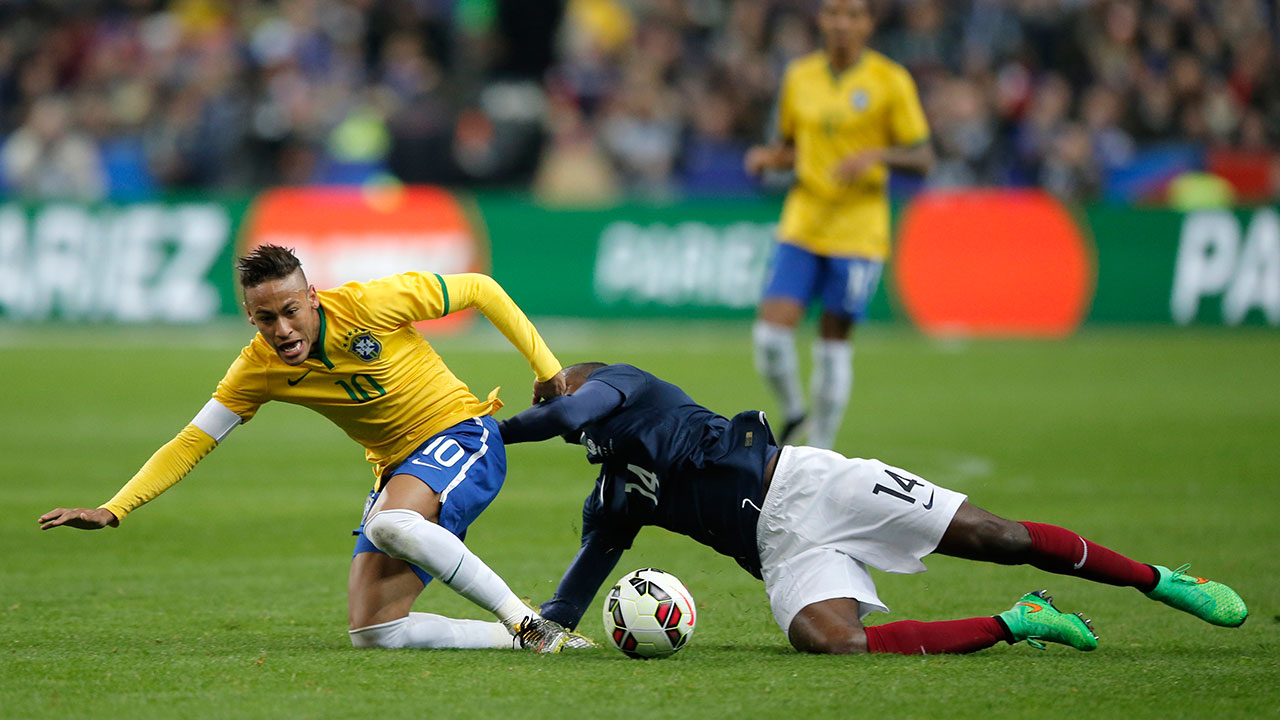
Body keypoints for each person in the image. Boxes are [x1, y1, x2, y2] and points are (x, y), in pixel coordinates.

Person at [39, 245, 591, 654]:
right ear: (250, 318)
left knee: (389, 524)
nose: (282, 330)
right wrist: (116, 507)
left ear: (312, 298)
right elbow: (192, 441)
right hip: (397, 467)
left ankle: (527, 623)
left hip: (462, 434)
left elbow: (481, 289)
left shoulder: (369, 305)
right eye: (265, 319)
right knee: (375, 632)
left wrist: (548, 372)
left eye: (290, 311)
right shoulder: (256, 369)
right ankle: (525, 638)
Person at [500, 362, 1248, 655]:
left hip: (814, 483)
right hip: (783, 552)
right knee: (836, 647)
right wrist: (519, 627)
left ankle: (1161, 581)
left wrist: (493, 429)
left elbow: (567, 415)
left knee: (999, 534)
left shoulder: (627, 387)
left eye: (563, 387)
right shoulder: (614, 496)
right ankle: (1022, 620)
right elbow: (569, 598)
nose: (564, 401)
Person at [745, 0, 934, 450]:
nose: (842, 24)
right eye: (833, 13)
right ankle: (794, 412)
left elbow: (924, 157)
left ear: (868, 23)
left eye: (852, 15)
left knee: (833, 343)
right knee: (770, 336)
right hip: (804, 220)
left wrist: (879, 154)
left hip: (857, 231)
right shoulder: (799, 76)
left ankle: (822, 449)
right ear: (821, 20)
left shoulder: (890, 80)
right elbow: (793, 145)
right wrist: (769, 157)